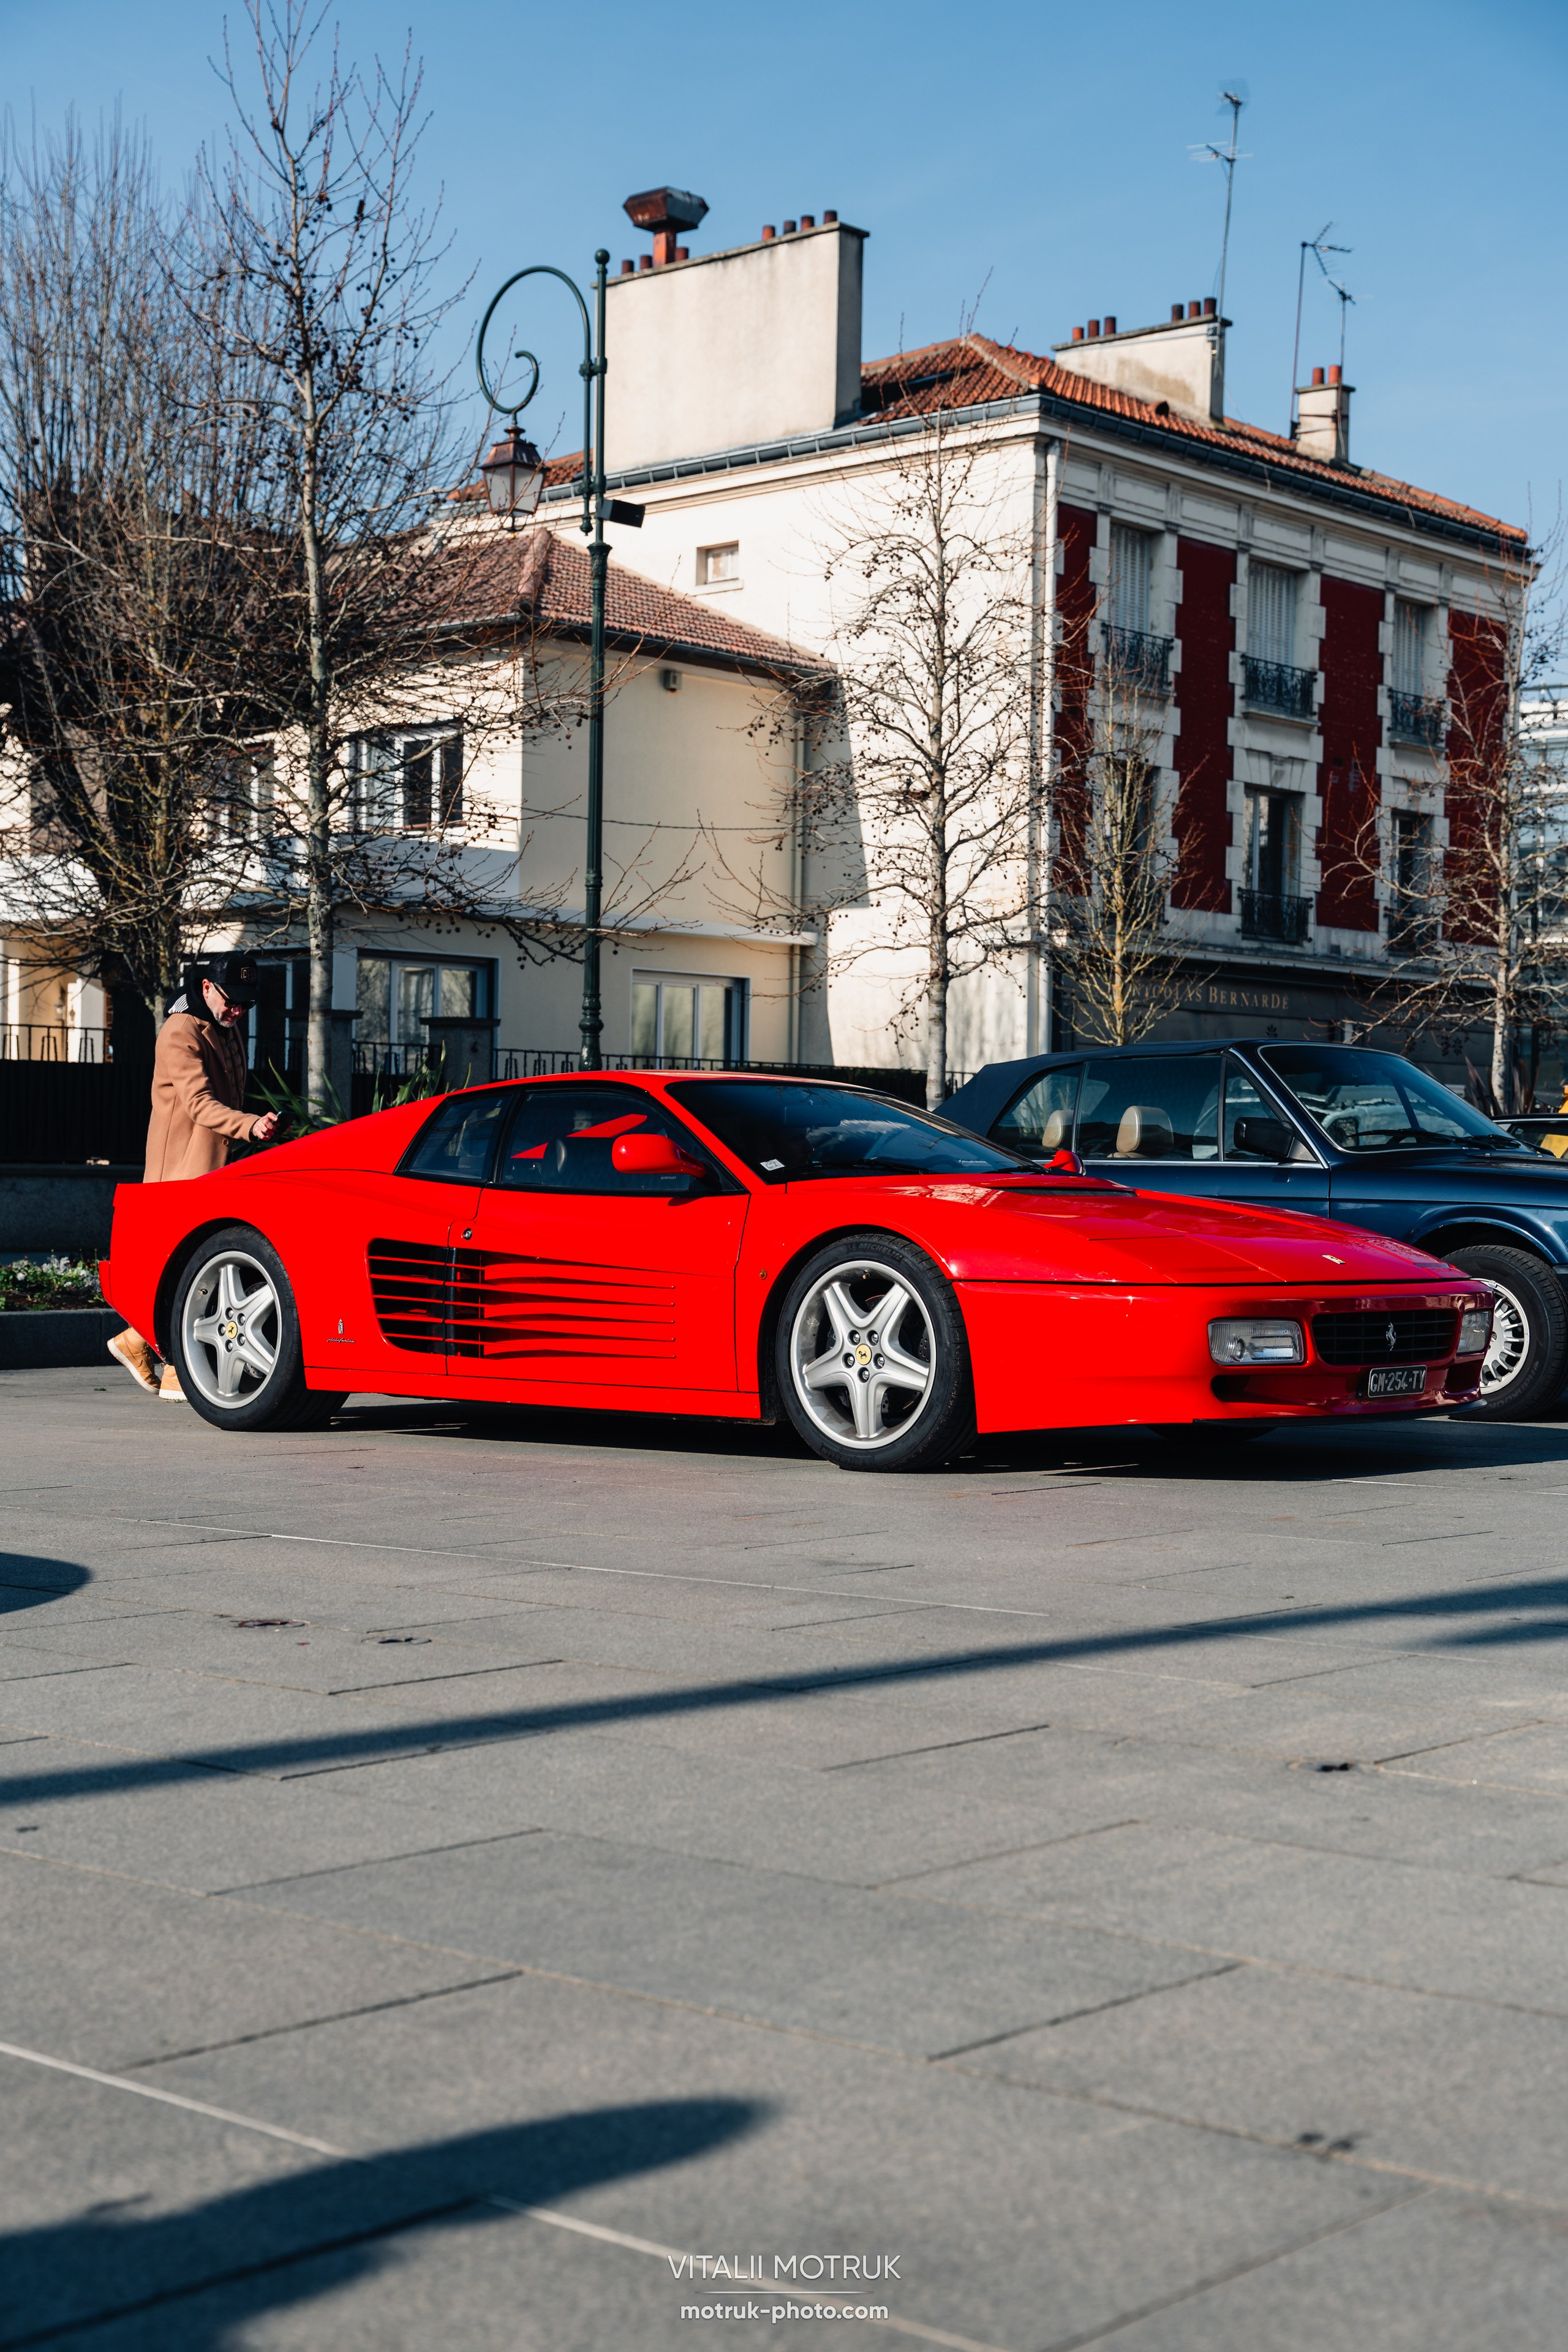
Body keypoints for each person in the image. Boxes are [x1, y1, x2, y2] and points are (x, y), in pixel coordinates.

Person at [107, 954, 281, 1401]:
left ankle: (135, 1342)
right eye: (232, 1001)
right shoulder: (179, 1031)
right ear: (206, 988)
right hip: (179, 1171)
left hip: (210, 1166)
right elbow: (199, 1103)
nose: (238, 1011)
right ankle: (174, 1373)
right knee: (186, 1268)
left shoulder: (225, 1025)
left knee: (185, 1265)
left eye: (247, 1005)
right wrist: (248, 1125)